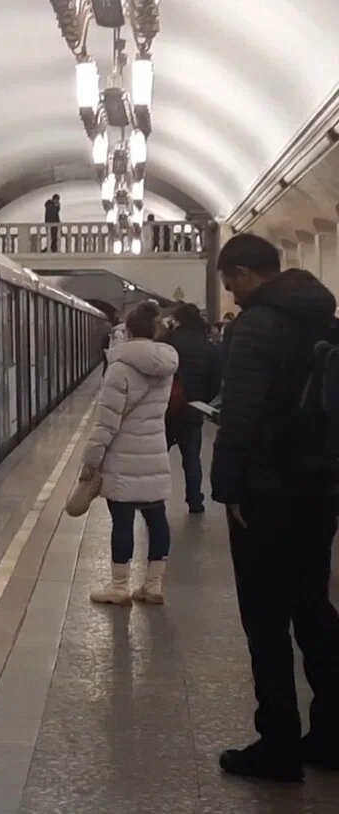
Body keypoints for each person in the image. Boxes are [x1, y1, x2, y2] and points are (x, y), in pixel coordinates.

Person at [211, 234, 339, 781]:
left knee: (265, 619)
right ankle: (331, 734)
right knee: (313, 608)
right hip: (320, 489)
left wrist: (227, 489)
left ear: (244, 272)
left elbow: (240, 415)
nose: (232, 295)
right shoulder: (325, 320)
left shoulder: (256, 326)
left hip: (266, 491)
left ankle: (278, 744)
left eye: (230, 283)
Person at [80, 301, 179, 605]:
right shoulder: (166, 366)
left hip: (122, 457)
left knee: (122, 522)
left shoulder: (119, 368)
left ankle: (120, 587)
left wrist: (90, 460)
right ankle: (153, 585)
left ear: (128, 331)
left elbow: (106, 423)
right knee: (157, 518)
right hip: (154, 452)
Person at [162, 303, 222, 513]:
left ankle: (155, 501)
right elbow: (215, 381)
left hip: (166, 409)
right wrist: (201, 399)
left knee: (159, 458)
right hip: (193, 409)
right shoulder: (208, 347)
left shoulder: (167, 341)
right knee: (192, 459)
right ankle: (195, 501)